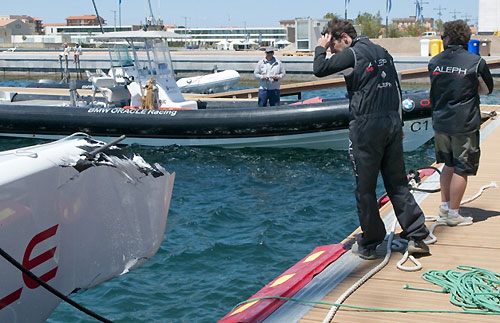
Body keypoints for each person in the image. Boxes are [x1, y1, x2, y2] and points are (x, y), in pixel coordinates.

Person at [313, 18, 430, 259]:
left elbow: (319, 69)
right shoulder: (382, 52)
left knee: (364, 189)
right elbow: (396, 88)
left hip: (366, 126)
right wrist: (399, 124)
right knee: (397, 182)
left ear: (344, 38)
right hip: (391, 123)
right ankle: (417, 233)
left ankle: (370, 241)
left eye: (335, 46)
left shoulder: (353, 54)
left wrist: (320, 47)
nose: (334, 52)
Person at [428, 20, 494, 226]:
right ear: (466, 38)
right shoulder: (475, 62)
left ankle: (445, 207)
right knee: (461, 168)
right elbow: (488, 89)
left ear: (446, 38)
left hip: (440, 121)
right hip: (463, 123)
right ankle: (454, 215)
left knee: (448, 164)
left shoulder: (434, 62)